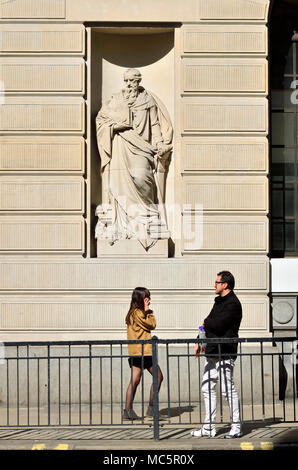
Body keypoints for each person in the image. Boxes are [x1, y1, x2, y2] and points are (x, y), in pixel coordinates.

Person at [95, 68, 173, 249]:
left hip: (143, 147)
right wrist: (113, 127)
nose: (129, 84)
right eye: (126, 81)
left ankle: (148, 221)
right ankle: (125, 226)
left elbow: (154, 124)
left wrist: (159, 143)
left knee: (142, 179)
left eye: (132, 81)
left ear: (138, 81)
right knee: (119, 185)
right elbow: (101, 121)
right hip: (121, 145)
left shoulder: (148, 100)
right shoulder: (116, 100)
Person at [191, 271, 243, 439]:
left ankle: (236, 427)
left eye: (217, 282)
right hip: (213, 351)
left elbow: (217, 324)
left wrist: (206, 323)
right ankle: (209, 427)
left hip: (225, 352)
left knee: (227, 390)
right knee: (206, 387)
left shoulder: (233, 304)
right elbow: (206, 323)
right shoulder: (219, 301)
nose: (214, 285)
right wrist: (200, 340)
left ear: (225, 285)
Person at [123, 287, 163, 420]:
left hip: (141, 351)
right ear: (141, 299)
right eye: (147, 299)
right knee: (152, 378)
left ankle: (135, 410)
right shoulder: (138, 313)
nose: (149, 301)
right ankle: (133, 410)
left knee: (138, 379)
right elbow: (152, 324)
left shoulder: (134, 313)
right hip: (141, 352)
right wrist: (148, 311)